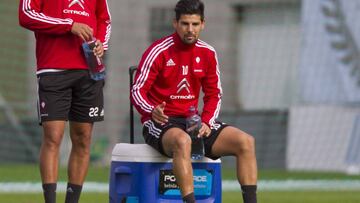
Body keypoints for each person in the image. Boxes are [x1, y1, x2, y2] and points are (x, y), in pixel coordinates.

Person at [131, 0, 257, 202]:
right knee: (183, 141)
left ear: (203, 24)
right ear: (175, 23)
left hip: (194, 122)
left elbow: (214, 93)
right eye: (185, 24)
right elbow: (137, 90)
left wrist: (206, 121)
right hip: (161, 123)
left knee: (246, 142)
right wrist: (151, 109)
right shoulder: (158, 51)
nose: (190, 30)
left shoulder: (208, 52)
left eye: (195, 24)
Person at [18, 0, 111, 202]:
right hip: (53, 69)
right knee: (53, 136)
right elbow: (26, 15)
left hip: (88, 71)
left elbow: (104, 19)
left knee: (83, 139)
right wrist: (68, 25)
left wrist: (101, 44)